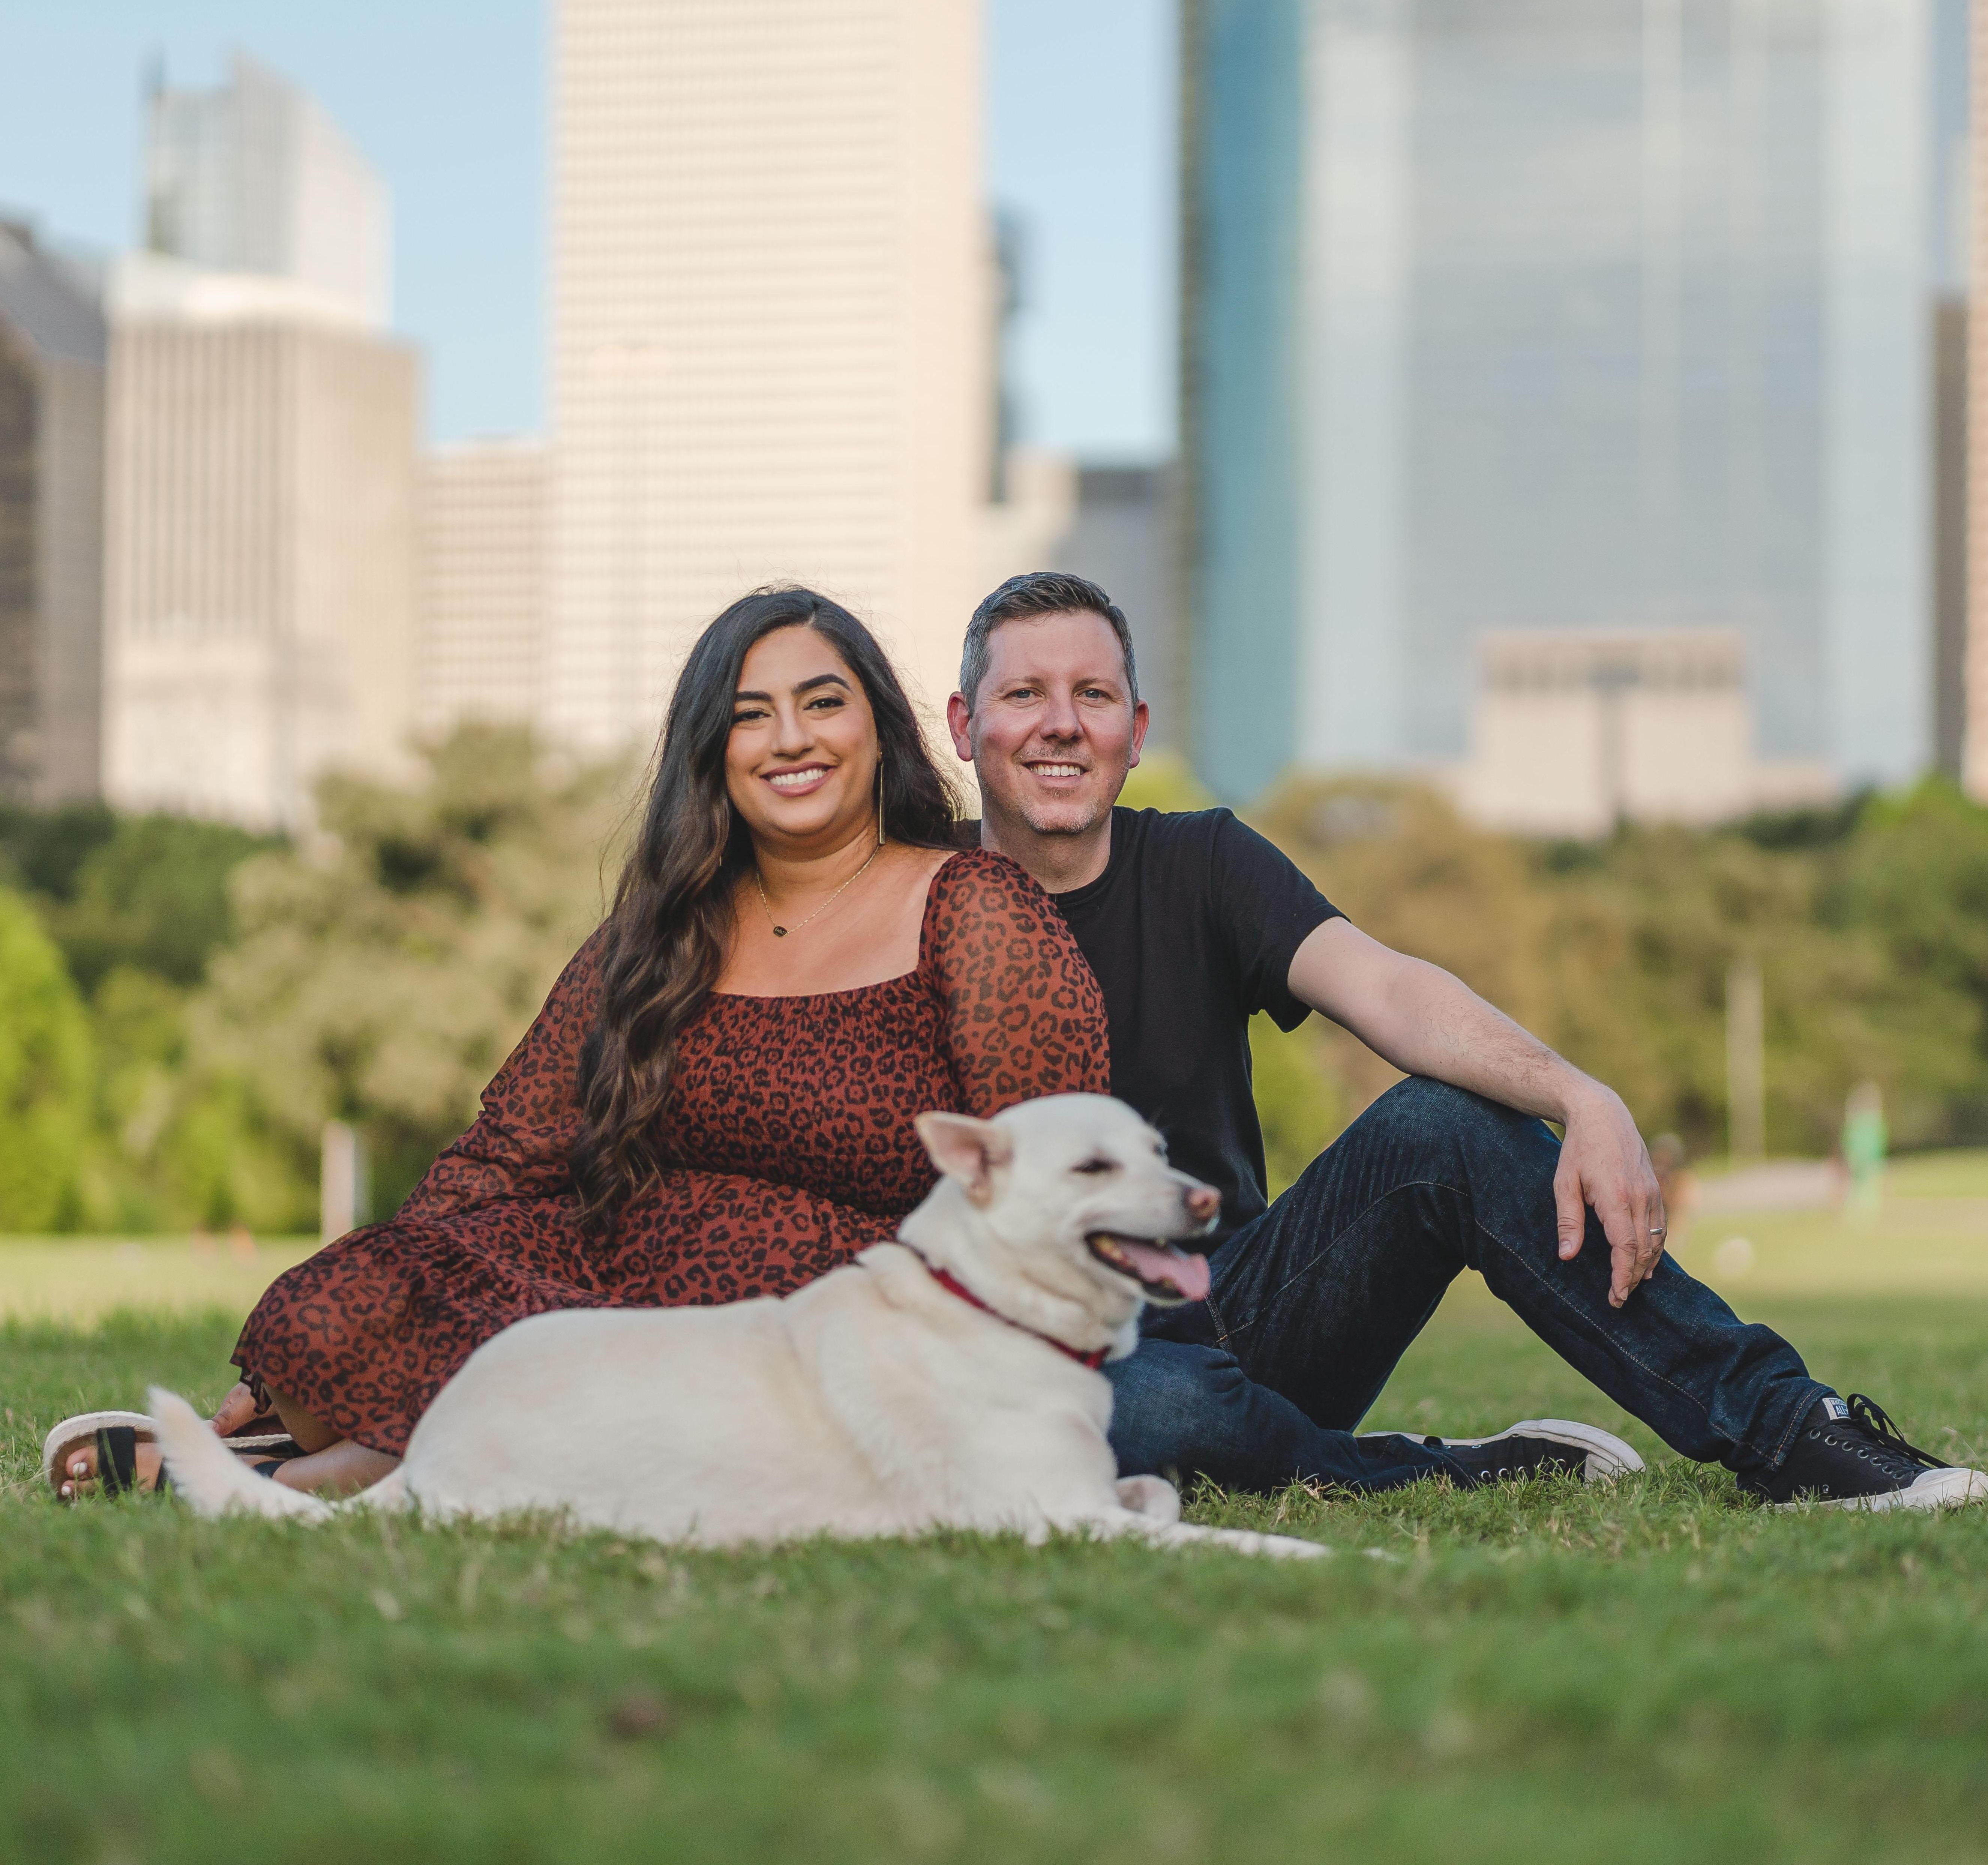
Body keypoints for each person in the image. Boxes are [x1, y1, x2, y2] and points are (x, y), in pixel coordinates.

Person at [945, 571, 1986, 1510]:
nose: (1061, 726)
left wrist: (1578, 1094)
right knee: (1147, 1408)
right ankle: (1440, 1469)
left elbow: (1389, 988)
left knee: (1441, 1126)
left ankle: (1794, 1434)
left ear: (1135, 726)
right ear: (963, 724)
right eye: (1024, 695)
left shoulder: (1203, 861)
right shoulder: (902, 901)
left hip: (1241, 1315)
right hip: (1034, 1356)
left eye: (1092, 697)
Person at [53, 587, 1110, 1500]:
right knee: (341, 1306)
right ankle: (303, 1441)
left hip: (839, 1315)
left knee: (602, 1361)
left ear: (878, 727)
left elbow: (1054, 1160)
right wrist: (381, 1294)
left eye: (821, 704)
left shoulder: (972, 905)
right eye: (751, 717)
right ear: (714, 754)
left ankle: (316, 1479)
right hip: (610, 1270)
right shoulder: (662, 933)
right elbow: (508, 1151)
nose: (791, 740)